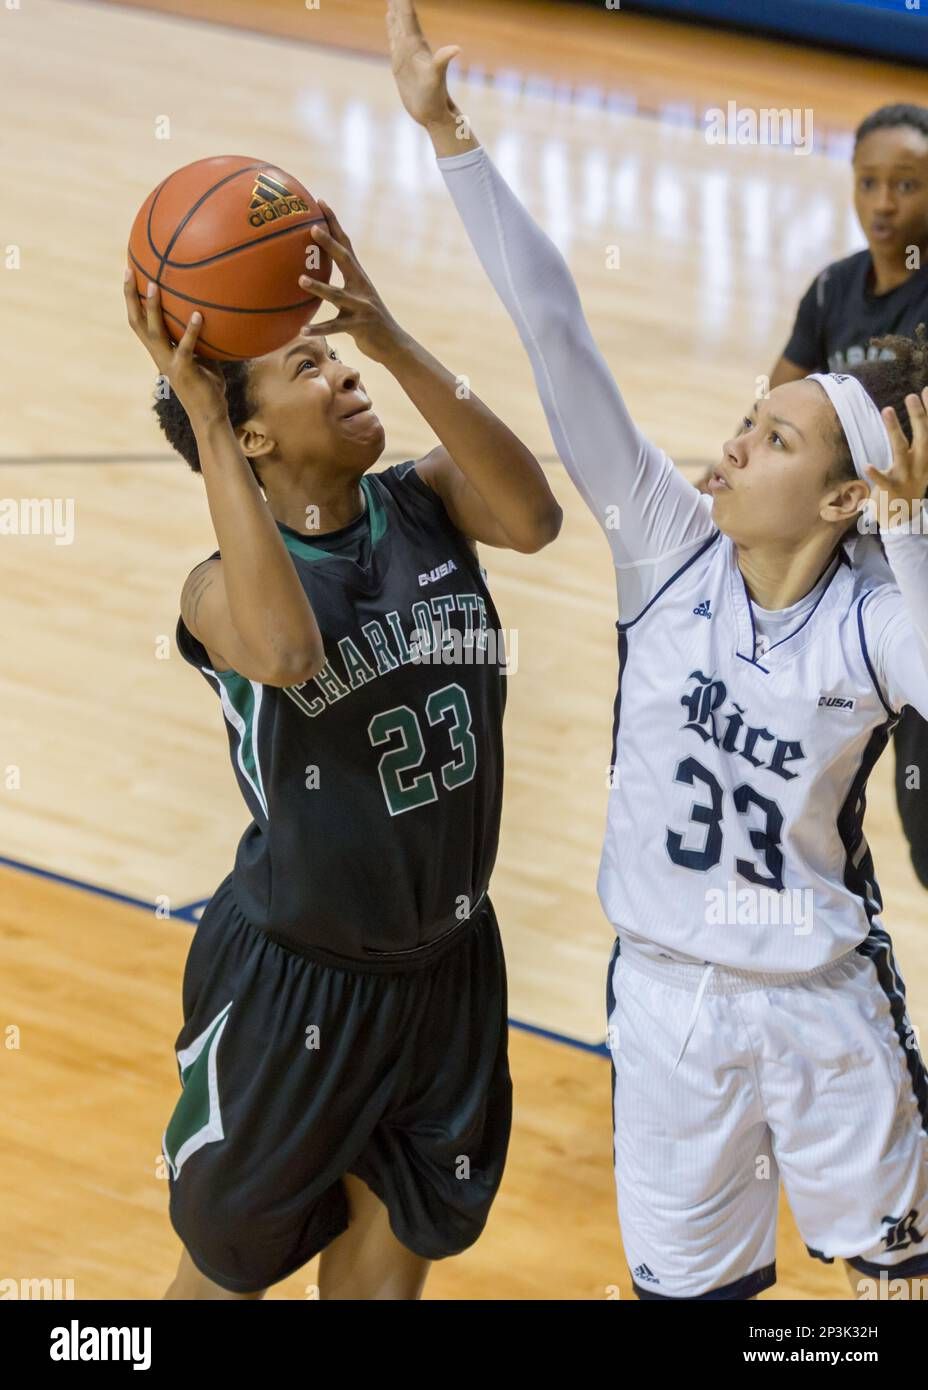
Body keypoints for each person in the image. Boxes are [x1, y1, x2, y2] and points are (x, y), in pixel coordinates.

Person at [387, 0, 928, 1300]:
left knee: (895, 1284)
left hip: (820, 1005)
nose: (734, 444)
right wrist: (449, 135)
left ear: (851, 497)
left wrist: (913, 535)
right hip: (668, 1004)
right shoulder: (665, 546)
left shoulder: (872, 612)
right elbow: (555, 332)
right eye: (747, 421)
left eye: (777, 439)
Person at [123, 199, 562, 1300]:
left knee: (385, 1281)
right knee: (224, 1277)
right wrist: (208, 424)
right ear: (252, 435)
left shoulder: (426, 501)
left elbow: (537, 516)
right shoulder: (219, 590)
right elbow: (279, 649)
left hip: (446, 971)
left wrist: (392, 338)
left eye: (336, 354)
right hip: (294, 985)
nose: (341, 373)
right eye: (307, 365)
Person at [702, 103, 928, 889]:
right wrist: (739, 454)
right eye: (869, 181)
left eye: (907, 184)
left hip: (913, 560)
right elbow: (784, 390)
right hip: (849, 570)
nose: (885, 202)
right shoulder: (834, 287)